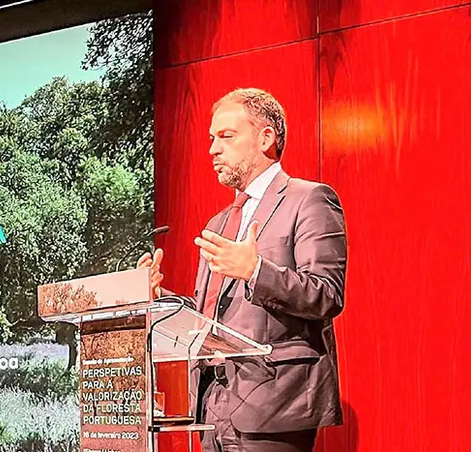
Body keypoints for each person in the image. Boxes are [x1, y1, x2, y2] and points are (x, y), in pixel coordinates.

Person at [138, 88, 346, 452]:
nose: (213, 149)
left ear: (266, 138)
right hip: (213, 404)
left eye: (226, 136)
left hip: (275, 402)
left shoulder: (309, 199)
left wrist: (255, 271)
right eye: (211, 138)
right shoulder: (219, 223)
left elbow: (326, 294)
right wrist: (162, 299)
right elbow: (210, 314)